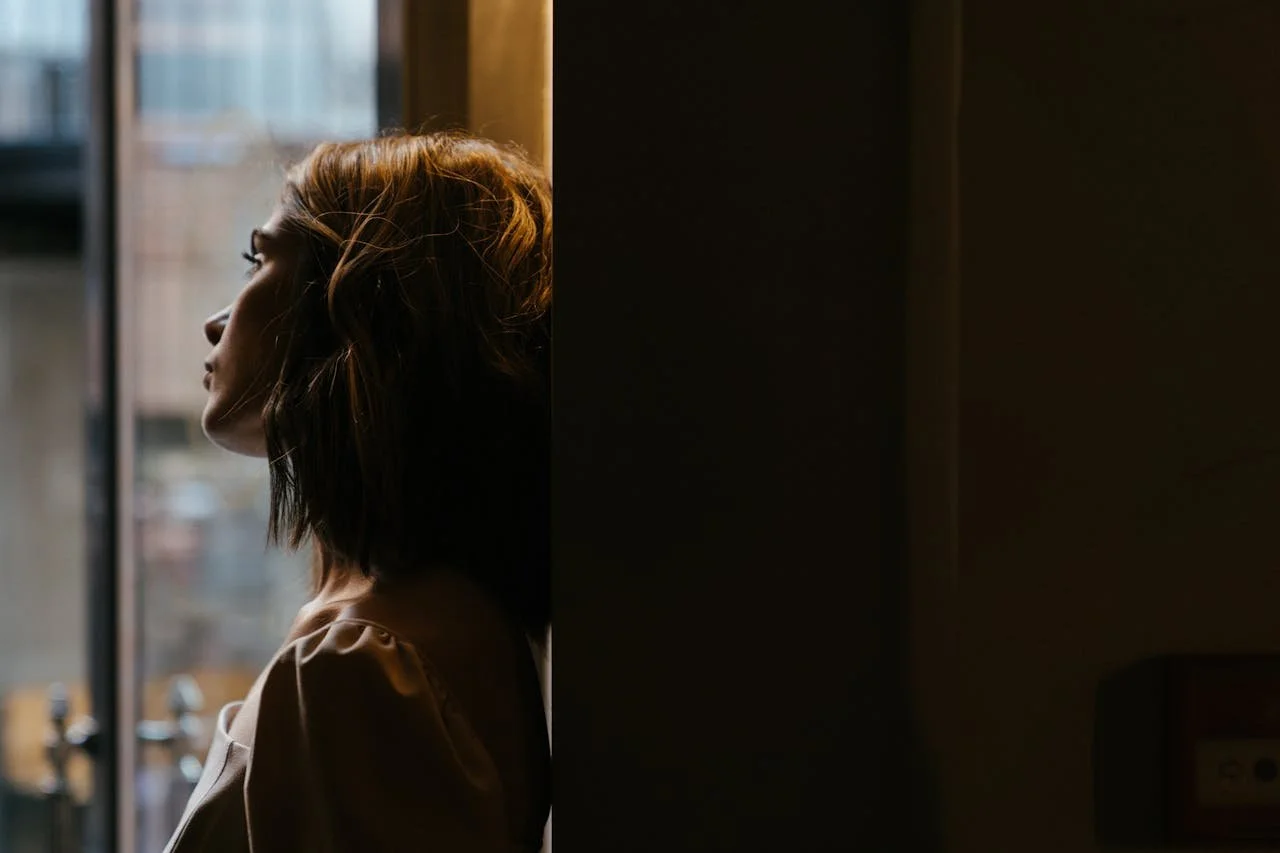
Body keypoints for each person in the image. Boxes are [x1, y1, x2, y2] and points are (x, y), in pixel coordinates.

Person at [165, 131, 552, 852]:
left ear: (357, 308)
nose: (216, 319)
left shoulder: (365, 668)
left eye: (259, 258)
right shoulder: (431, 625)